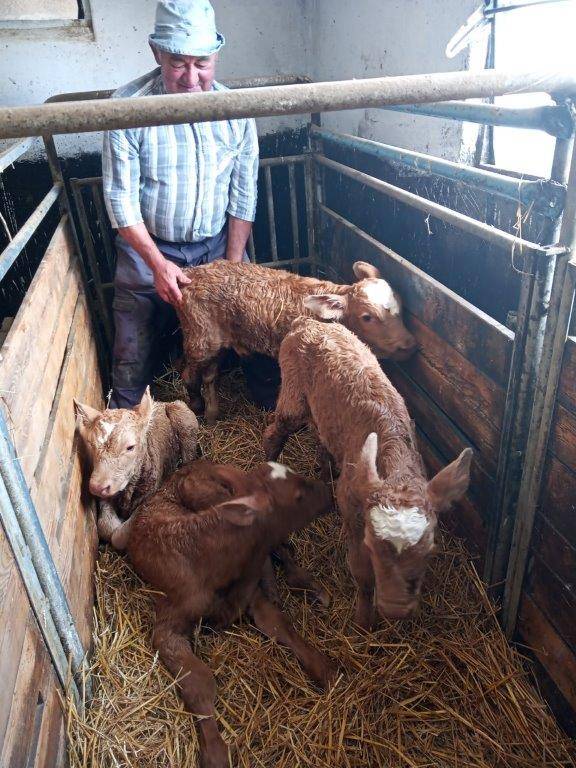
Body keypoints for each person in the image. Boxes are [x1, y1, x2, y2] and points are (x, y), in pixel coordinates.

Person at [102, 0, 259, 409]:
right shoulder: (126, 110)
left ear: (217, 56)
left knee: (258, 328)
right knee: (131, 353)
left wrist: (232, 265)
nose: (191, 78)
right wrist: (157, 265)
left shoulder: (237, 111)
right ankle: (126, 417)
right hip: (147, 248)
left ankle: (269, 406)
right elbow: (121, 201)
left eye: (202, 63)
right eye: (178, 63)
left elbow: (243, 194)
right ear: (157, 53)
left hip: (218, 244)